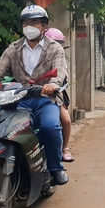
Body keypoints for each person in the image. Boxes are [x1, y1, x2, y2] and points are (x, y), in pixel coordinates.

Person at [0, 5, 69, 187]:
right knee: (6, 128)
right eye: (25, 23)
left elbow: (60, 71)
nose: (29, 26)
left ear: (44, 25)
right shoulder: (13, 49)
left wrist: (53, 85)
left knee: (50, 126)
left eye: (34, 22)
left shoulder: (55, 48)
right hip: (18, 99)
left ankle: (55, 168)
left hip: (44, 99)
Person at [45, 27, 74, 163]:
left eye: (59, 43)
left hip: (55, 95)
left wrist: (54, 86)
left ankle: (65, 148)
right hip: (32, 94)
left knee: (66, 120)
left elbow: (61, 77)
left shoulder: (60, 60)